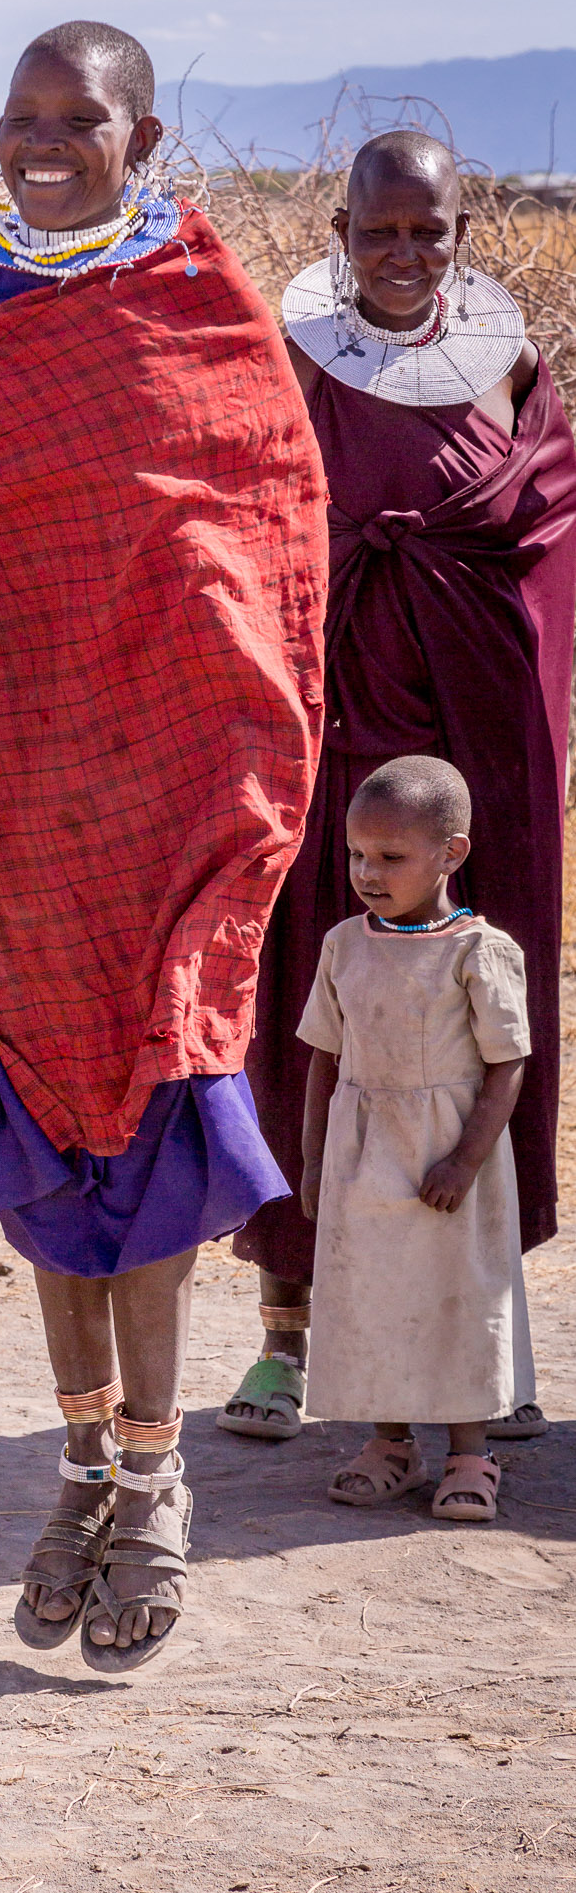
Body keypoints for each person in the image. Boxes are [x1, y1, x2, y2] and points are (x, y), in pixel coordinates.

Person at [0, 22, 328, 1669]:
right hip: (20, 775)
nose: (41, 142)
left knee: (170, 1102)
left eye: (77, 118)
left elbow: (261, 521)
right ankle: (75, 1475)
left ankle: (156, 1477)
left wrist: (233, 697)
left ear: (144, 132)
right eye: (19, 117)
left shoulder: (203, 302)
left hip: (176, 771)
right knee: (45, 1130)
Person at [223, 130, 576, 1446]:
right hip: (325, 742)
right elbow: (250, 523)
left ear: (460, 238)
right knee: (311, 1025)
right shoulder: (289, 358)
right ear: (338, 229)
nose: (402, 253)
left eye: (426, 233)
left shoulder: (513, 363)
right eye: (378, 231)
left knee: (474, 1037)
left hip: (471, 748)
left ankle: (489, 1353)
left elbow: (542, 524)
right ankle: (280, 1336)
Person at [299, 757, 527, 1523]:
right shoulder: (344, 945)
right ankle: (390, 1445)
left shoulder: (479, 952)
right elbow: (323, 1059)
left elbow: (507, 1066)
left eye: (390, 858)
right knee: (369, 1292)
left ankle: (470, 1453)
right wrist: (310, 1161)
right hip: (363, 1154)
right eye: (357, 854)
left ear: (451, 853)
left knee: (457, 1293)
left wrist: (464, 1159)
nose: (368, 871)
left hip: (449, 1158)